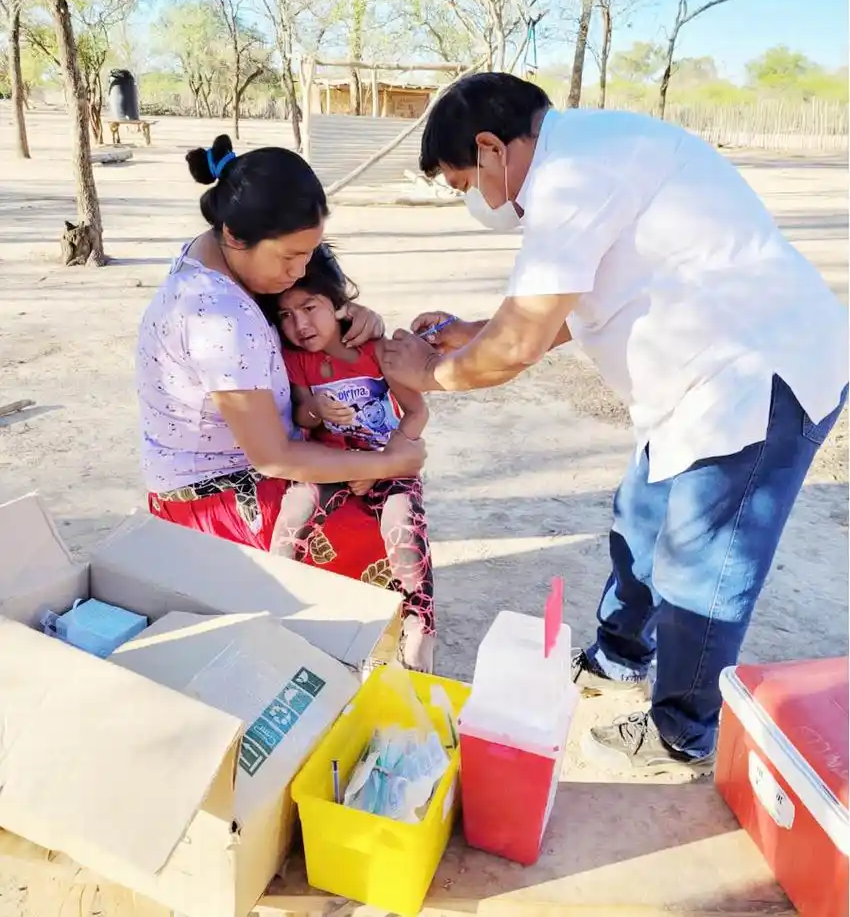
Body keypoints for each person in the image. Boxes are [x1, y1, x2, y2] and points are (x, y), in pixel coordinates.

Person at [378, 73, 848, 776]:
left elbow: (518, 345)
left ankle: (681, 732)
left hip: (756, 379)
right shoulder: (591, 155)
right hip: (699, 378)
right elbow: (577, 306)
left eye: (461, 183)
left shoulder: (572, 176)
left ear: (490, 147)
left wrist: (423, 374)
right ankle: (619, 656)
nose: (470, 199)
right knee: (640, 518)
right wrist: (469, 332)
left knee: (703, 561)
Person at [136, 134, 426, 569]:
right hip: (221, 500)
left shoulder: (213, 253)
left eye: (309, 254)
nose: (300, 271)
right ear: (234, 235)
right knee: (389, 541)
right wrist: (388, 461)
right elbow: (272, 456)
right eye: (290, 257)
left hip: (231, 478)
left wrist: (348, 314)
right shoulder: (219, 316)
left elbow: (287, 312)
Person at [269, 245, 434, 671]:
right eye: (286, 315)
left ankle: (419, 628)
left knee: (403, 527)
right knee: (296, 510)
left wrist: (393, 455)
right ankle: (274, 604)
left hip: (389, 465)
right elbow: (304, 416)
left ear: (339, 304)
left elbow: (417, 411)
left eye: (310, 307)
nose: (300, 324)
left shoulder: (376, 350)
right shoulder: (296, 360)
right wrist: (317, 411)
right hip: (331, 464)